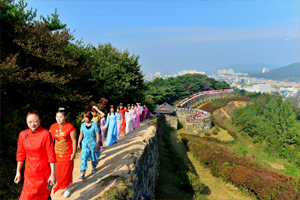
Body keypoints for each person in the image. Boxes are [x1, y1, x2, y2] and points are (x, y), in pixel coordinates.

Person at [15, 110, 56, 200]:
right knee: (27, 196)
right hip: (29, 174)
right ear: (26, 121)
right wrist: (18, 171)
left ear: (40, 120)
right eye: (29, 122)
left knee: (45, 195)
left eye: (35, 121)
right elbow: (20, 154)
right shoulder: (23, 134)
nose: (32, 124)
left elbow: (51, 154)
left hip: (44, 173)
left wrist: (53, 174)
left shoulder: (46, 134)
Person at [50, 108, 76, 198]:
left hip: (67, 153)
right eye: (57, 117)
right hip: (56, 154)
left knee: (66, 172)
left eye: (61, 117)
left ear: (65, 117)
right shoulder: (52, 127)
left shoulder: (70, 127)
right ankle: (55, 185)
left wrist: (74, 152)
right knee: (57, 172)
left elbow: (74, 141)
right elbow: (50, 141)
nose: (59, 119)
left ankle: (67, 188)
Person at [77, 110, 100, 179]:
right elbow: (81, 134)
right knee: (83, 157)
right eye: (84, 117)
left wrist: (97, 143)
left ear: (89, 117)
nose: (85, 119)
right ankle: (82, 173)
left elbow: (97, 135)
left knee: (93, 157)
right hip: (85, 144)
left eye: (86, 117)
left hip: (93, 144)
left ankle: (93, 167)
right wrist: (78, 143)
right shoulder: (82, 125)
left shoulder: (94, 125)